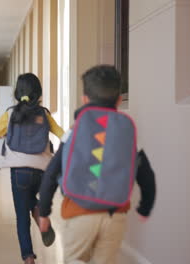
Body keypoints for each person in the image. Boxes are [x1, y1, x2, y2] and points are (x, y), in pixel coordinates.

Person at [38, 65, 156, 264]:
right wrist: (145, 207)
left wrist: (44, 212)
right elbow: (146, 174)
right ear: (119, 99)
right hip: (114, 215)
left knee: (75, 259)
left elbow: (51, 172)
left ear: (85, 99)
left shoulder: (74, 131)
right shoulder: (128, 132)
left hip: (78, 212)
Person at [0, 73, 64, 264]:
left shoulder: (11, 114)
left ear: (18, 93)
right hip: (42, 170)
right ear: (38, 93)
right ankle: (39, 214)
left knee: (21, 215)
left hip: (19, 171)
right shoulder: (44, 114)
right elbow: (61, 134)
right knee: (30, 201)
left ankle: (28, 258)